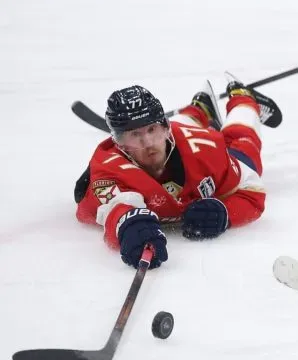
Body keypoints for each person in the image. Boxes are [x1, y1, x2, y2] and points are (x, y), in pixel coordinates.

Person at [74, 79, 281, 269]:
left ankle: (244, 98)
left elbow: (252, 190)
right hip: (170, 145)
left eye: (152, 129)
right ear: (119, 143)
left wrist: (225, 213)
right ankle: (198, 110)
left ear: (166, 128)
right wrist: (128, 225)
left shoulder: (206, 151)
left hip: (196, 141)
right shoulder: (110, 170)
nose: (147, 143)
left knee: (244, 145)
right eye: (134, 134)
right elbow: (115, 208)